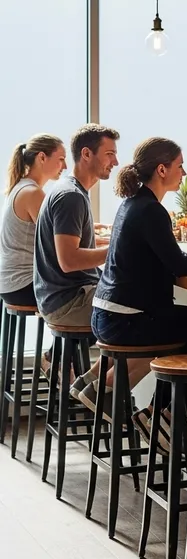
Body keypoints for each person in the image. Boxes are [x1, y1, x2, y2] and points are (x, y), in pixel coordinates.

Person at [93, 137, 187, 449]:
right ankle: (163, 415)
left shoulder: (131, 204)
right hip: (127, 322)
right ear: (161, 169)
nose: (183, 173)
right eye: (180, 166)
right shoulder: (151, 211)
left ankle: (162, 414)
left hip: (107, 316)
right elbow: (178, 264)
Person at [34, 124, 120, 409]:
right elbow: (68, 260)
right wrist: (116, 250)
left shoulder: (71, 191)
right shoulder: (72, 197)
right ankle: (99, 390)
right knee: (142, 317)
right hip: (68, 302)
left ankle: (91, 384)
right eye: (109, 154)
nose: (115, 162)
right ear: (86, 154)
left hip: (59, 296)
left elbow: (75, 249)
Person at [1, 135, 67, 309]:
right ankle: (73, 334)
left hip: (10, 283)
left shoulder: (20, 187)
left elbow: (57, 229)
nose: (65, 166)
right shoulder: (32, 193)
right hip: (24, 284)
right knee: (86, 289)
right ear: (42, 157)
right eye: (61, 159)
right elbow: (58, 240)